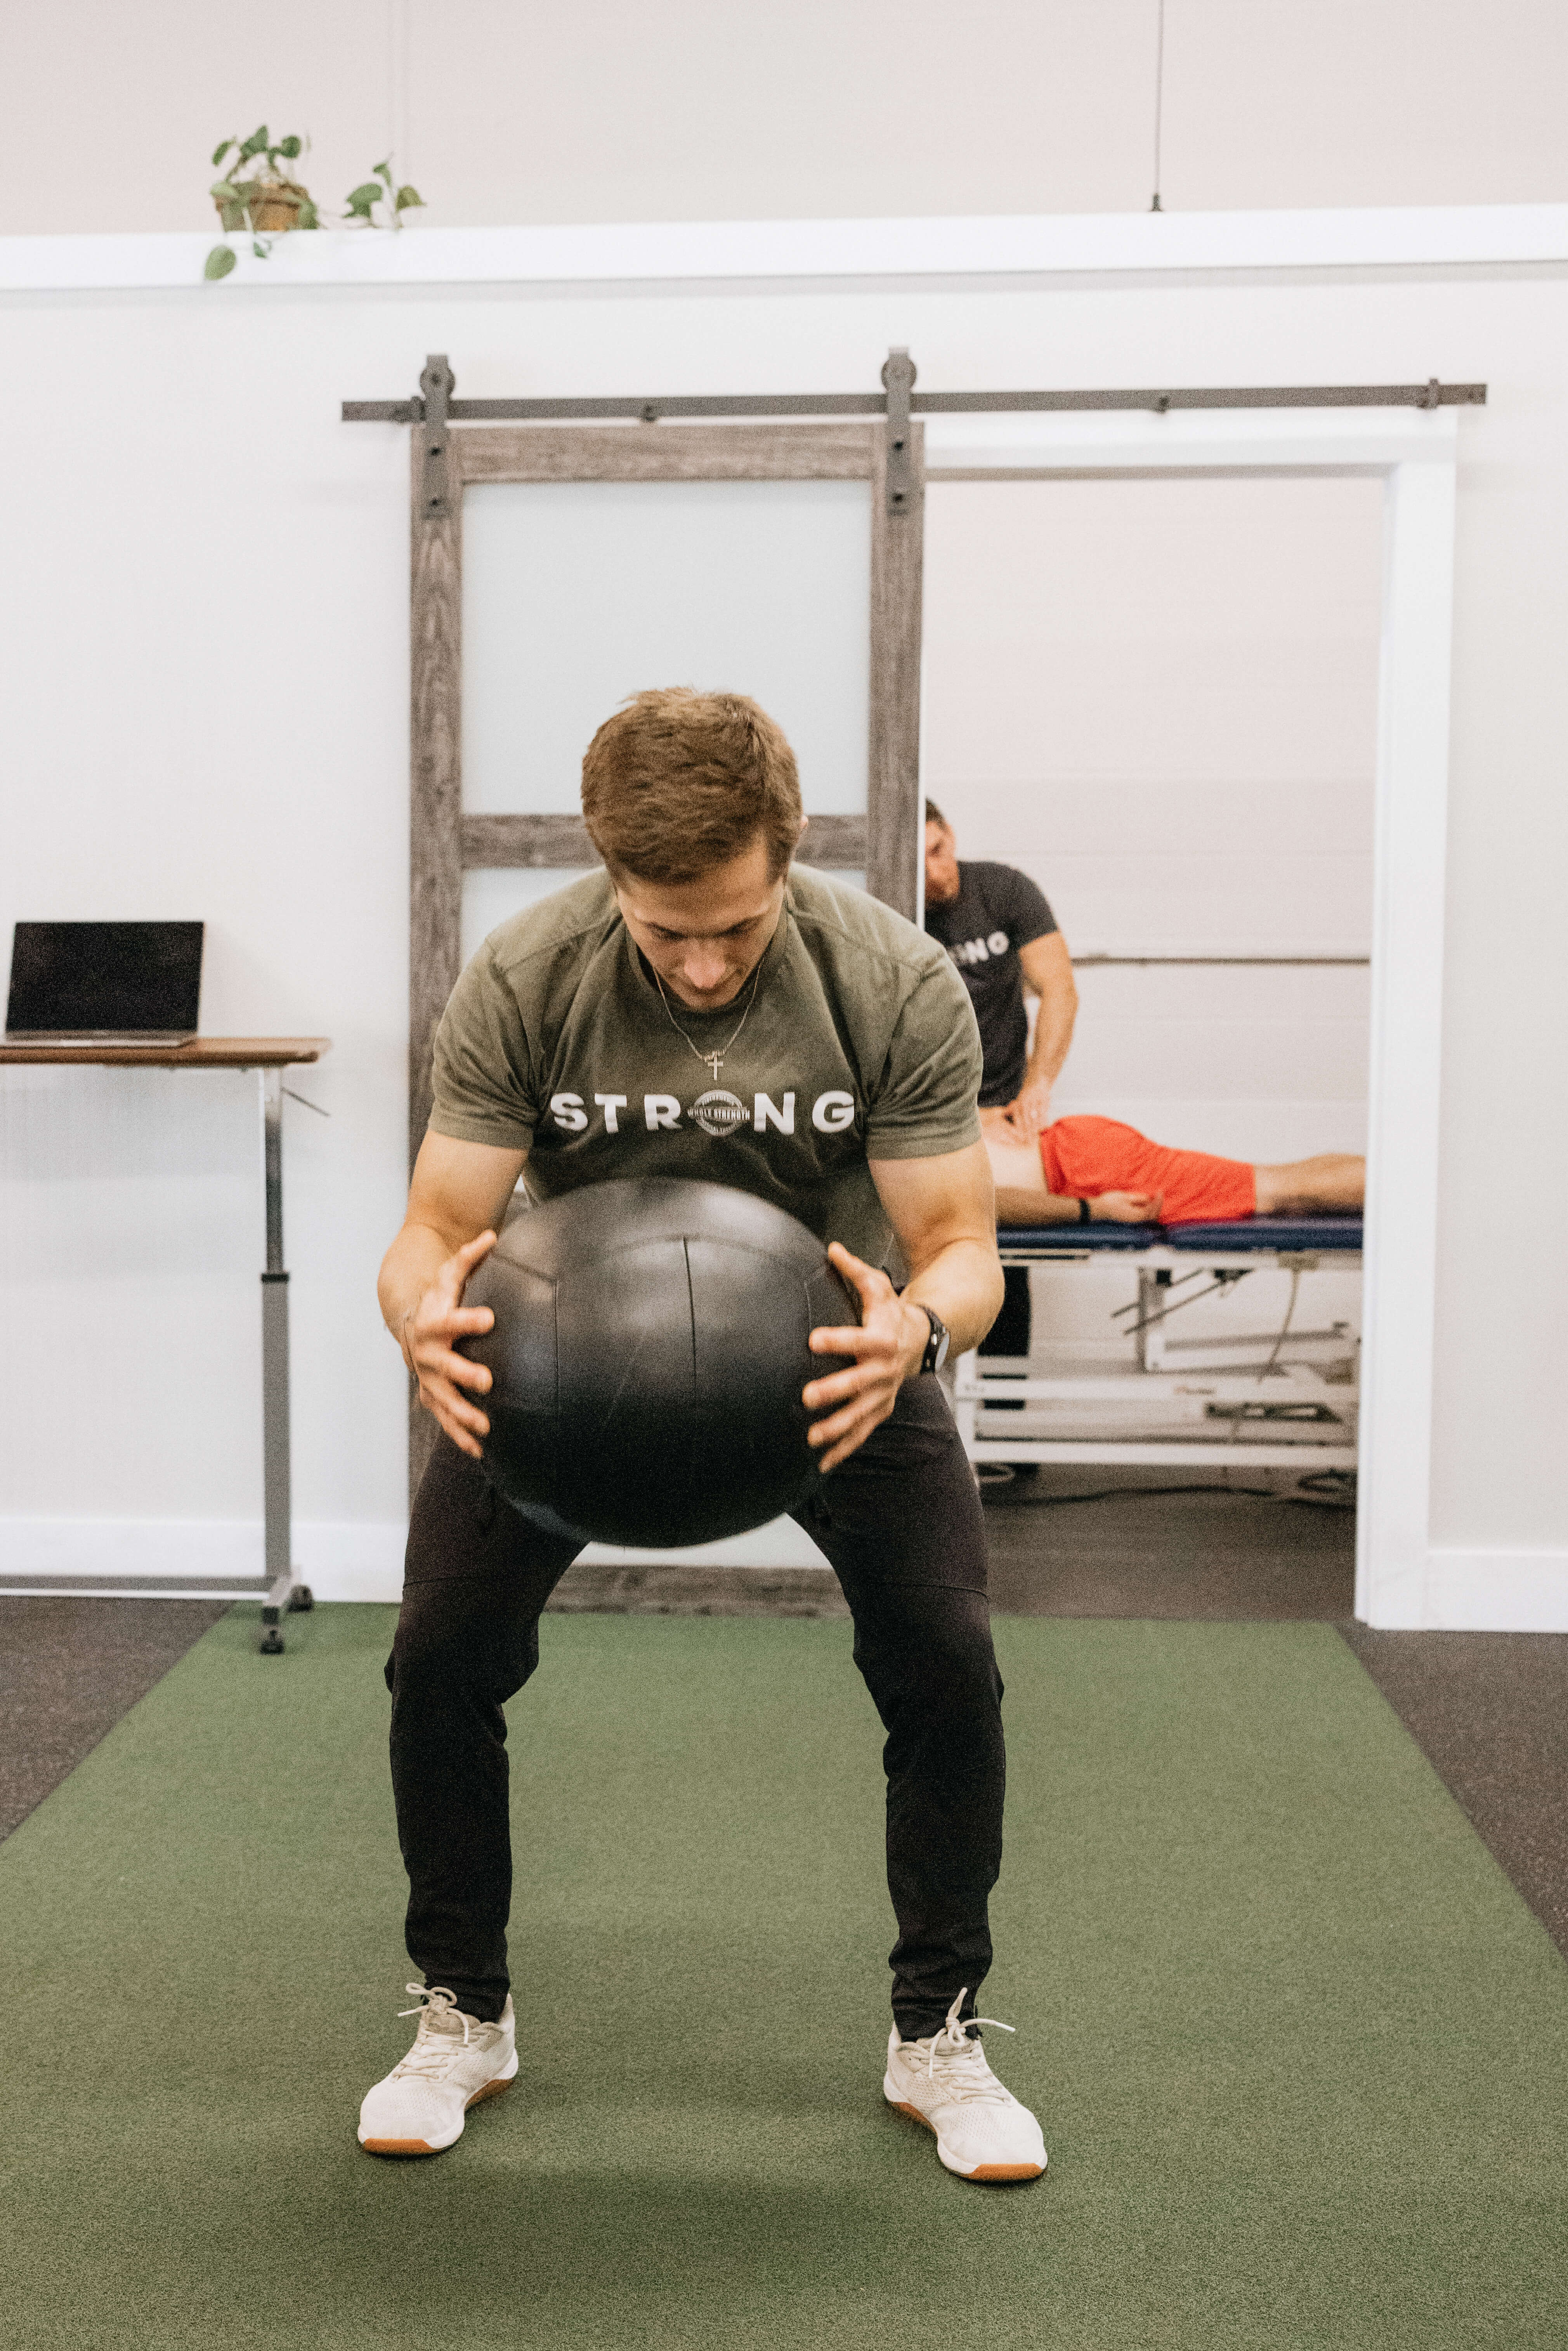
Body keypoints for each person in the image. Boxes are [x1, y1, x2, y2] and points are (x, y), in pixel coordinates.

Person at [361, 689, 1046, 2184]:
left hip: (844, 1362)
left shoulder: (889, 979)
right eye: (666, 929)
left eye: (735, 926)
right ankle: (463, 2009)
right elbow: (432, 1227)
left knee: (947, 1662)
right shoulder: (528, 973)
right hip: (564, 1372)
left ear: (787, 856)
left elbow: (962, 1251)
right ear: (609, 866)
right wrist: (421, 1317)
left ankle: (937, 2030)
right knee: (439, 1658)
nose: (703, 962)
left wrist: (916, 1336)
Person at [923, 801, 1078, 1362]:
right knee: (929, 1260)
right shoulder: (895, 907)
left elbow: (1059, 989)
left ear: (950, 835)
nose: (936, 874)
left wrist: (1038, 1085)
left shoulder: (1004, 890)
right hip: (931, 1116)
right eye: (919, 863)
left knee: (1007, 1265)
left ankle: (1005, 1417)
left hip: (1005, 1108)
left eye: (938, 851)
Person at [983, 1111, 1364, 1227]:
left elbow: (990, 1204)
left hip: (1082, 1170)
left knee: (1276, 1192)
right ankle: (1391, 1178)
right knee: (1272, 1184)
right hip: (1076, 1155)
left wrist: (1094, 1209)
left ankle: (1397, 1185)